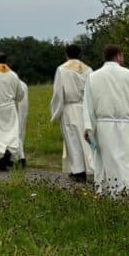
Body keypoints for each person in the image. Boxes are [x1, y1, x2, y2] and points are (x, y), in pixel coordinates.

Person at [83, 45, 129, 199]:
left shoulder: (93, 77)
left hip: (103, 128)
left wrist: (89, 129)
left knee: (108, 163)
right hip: (127, 125)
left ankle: (110, 194)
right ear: (119, 56)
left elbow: (88, 106)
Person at [50, 44, 94, 180]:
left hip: (70, 107)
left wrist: (55, 112)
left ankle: (78, 171)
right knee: (87, 139)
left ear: (66, 54)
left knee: (72, 140)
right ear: (80, 54)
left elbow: (58, 93)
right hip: (85, 107)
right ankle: (91, 167)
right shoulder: (88, 69)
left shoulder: (62, 69)